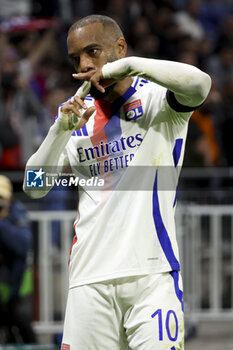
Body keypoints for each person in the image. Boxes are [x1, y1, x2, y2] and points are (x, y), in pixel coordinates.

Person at [23, 14, 211, 350]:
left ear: (120, 47)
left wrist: (128, 67)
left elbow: (200, 84)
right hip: (88, 280)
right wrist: (58, 131)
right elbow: (34, 186)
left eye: (92, 51)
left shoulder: (159, 100)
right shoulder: (75, 117)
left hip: (151, 276)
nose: (83, 64)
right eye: (75, 58)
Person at [0, 175, 36, 344]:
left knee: (23, 328)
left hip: (18, 286)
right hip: (3, 285)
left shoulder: (17, 211)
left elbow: (21, 244)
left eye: (1, 198)